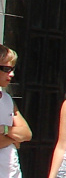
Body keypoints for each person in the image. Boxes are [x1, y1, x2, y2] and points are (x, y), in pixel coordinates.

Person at [0, 44, 33, 177]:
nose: (12, 74)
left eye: (12, 69)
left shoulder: (7, 99)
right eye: (6, 69)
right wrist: (14, 140)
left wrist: (5, 130)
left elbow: (27, 133)